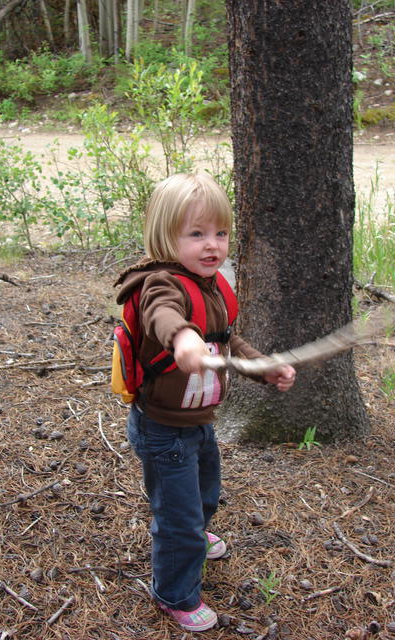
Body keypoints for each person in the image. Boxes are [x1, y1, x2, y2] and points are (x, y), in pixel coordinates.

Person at [114, 172, 296, 633]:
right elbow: (163, 315)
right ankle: (174, 591)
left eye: (220, 232)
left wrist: (264, 366)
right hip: (162, 427)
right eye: (196, 234)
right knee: (177, 516)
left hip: (199, 421)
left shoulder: (211, 285)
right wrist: (183, 339)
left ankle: (195, 529)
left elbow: (227, 340)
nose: (212, 244)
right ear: (165, 237)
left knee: (205, 491)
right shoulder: (162, 283)